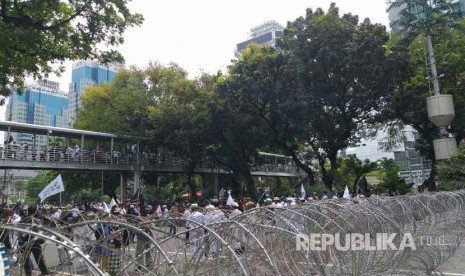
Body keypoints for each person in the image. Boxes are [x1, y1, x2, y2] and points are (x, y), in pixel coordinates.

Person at [20, 206, 50, 276]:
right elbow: (39, 232)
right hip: (34, 241)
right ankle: (44, 271)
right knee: (38, 257)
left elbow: (19, 233)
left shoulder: (22, 221)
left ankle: (28, 273)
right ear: (35, 212)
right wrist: (42, 240)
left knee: (25, 259)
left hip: (24, 242)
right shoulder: (36, 221)